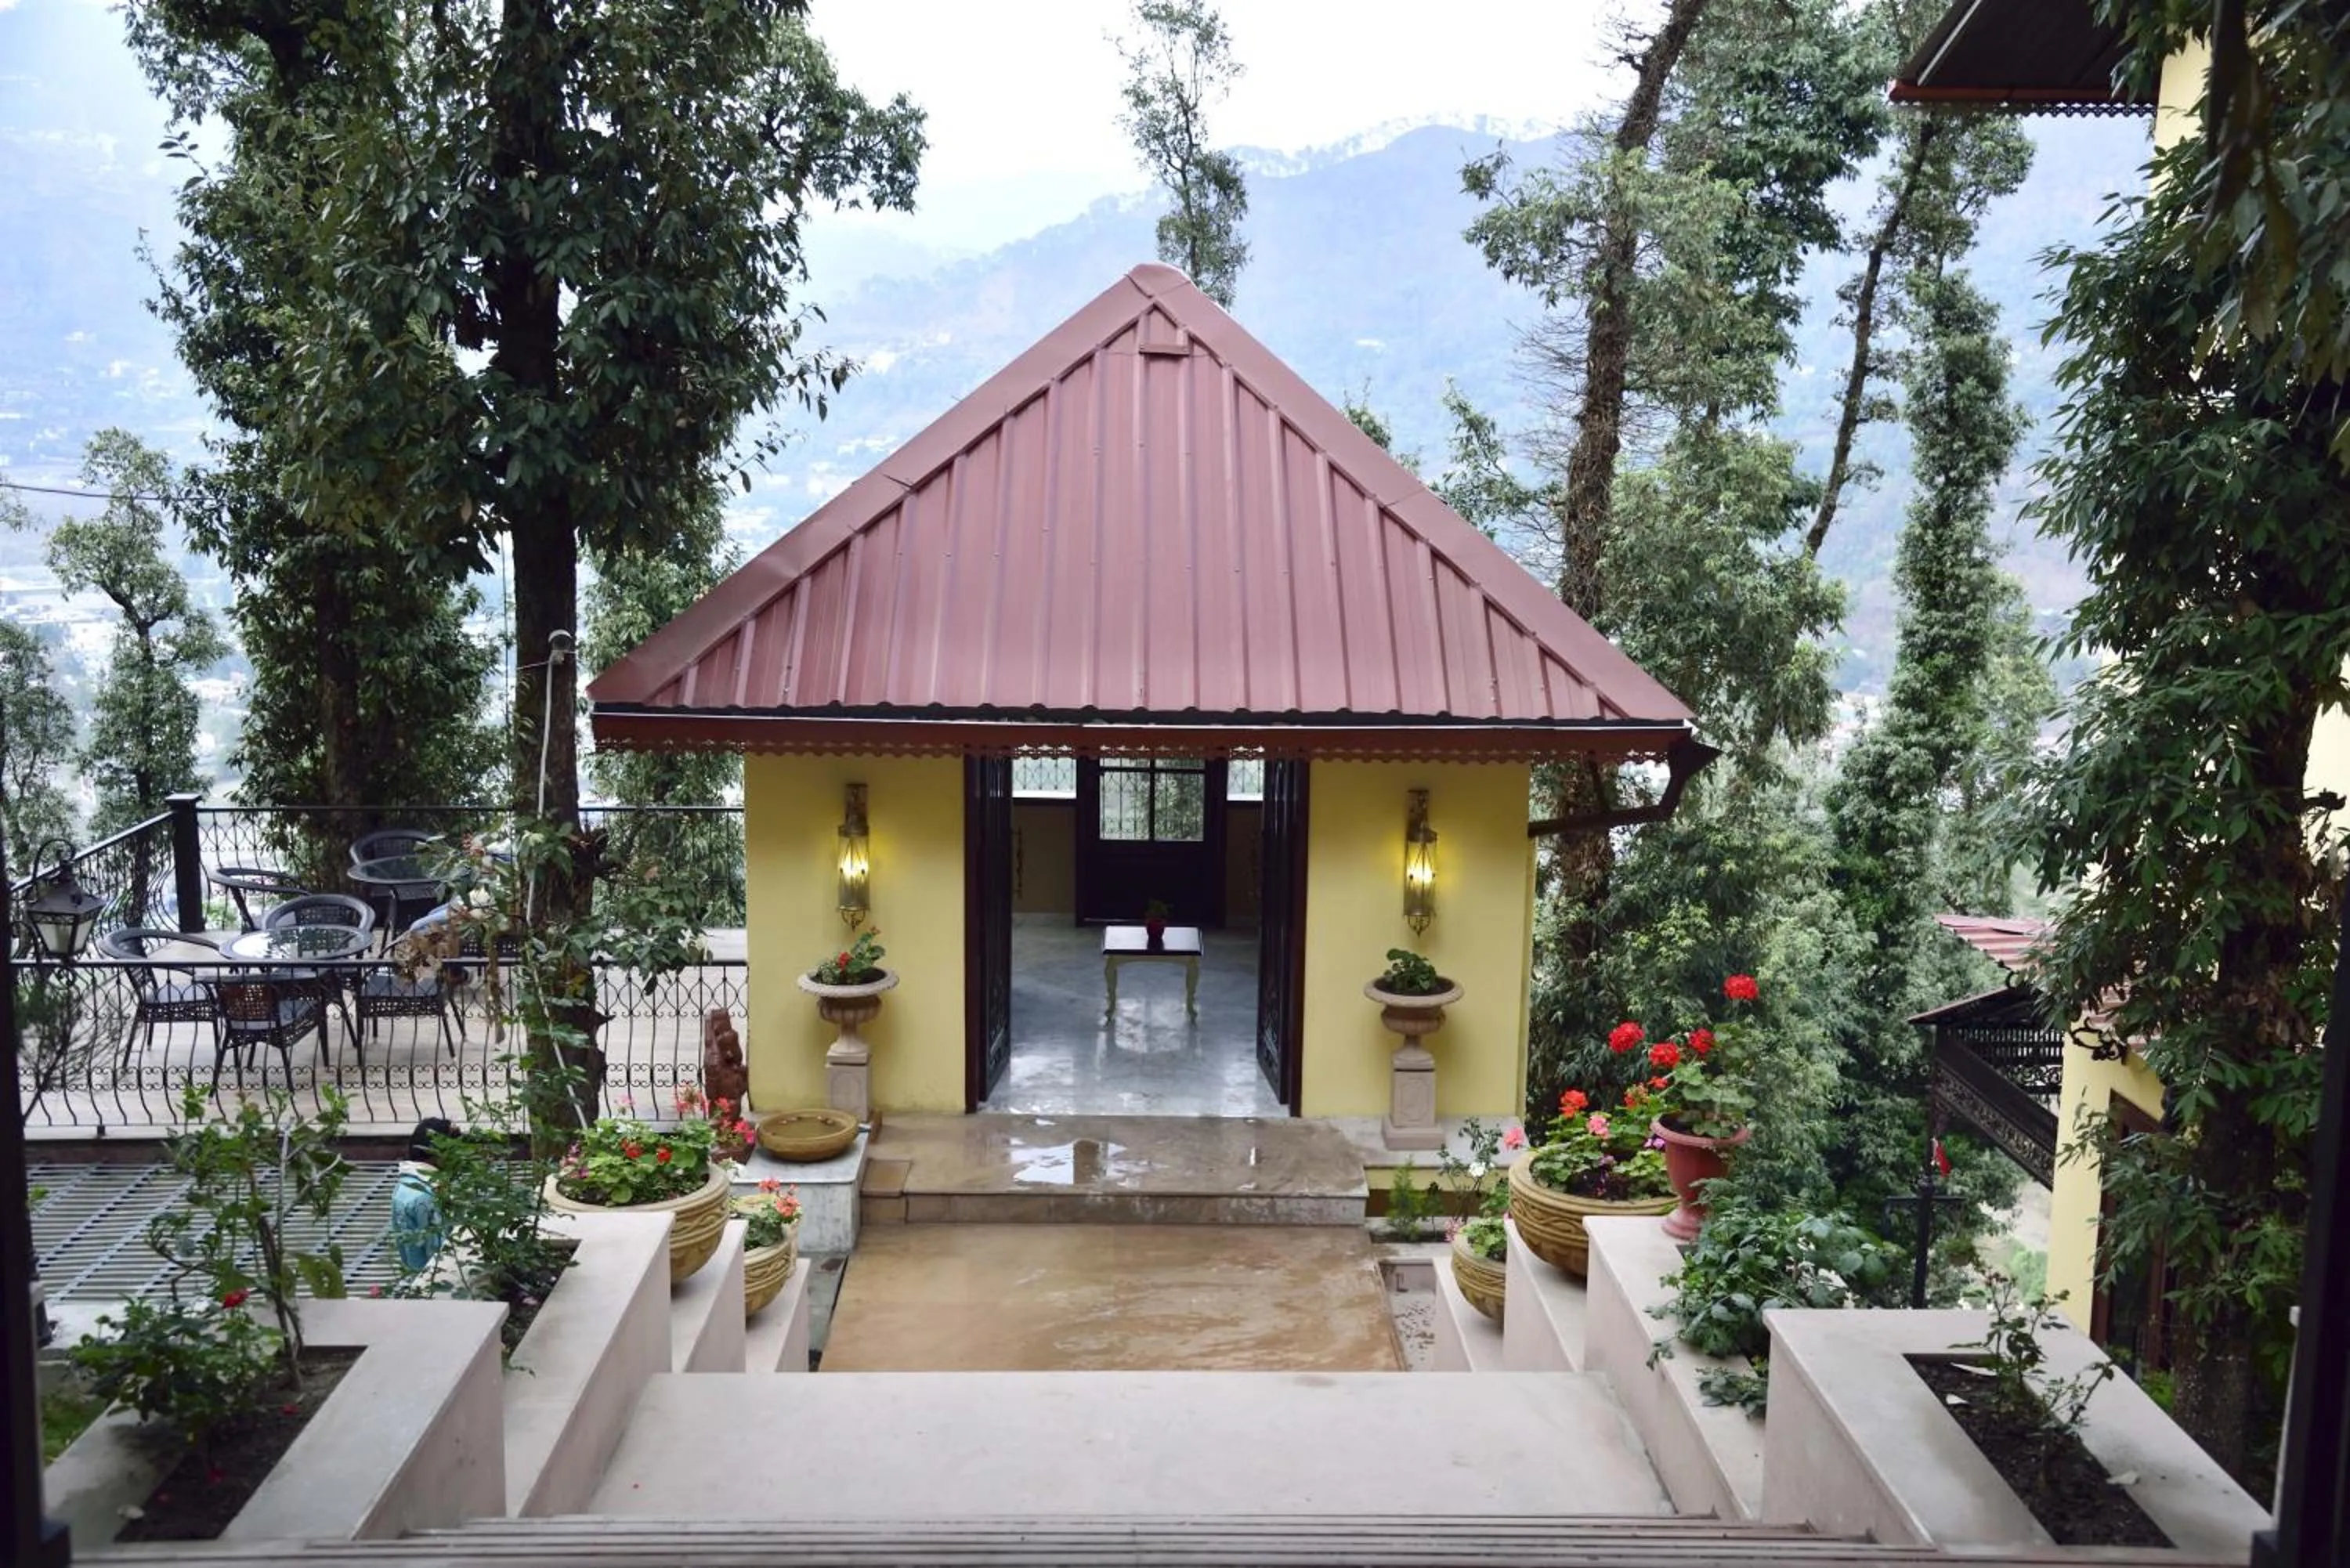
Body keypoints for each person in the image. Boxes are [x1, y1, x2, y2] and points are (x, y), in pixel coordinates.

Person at [391, 1117, 457, 1274]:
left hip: (416, 1273)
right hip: (435, 1278)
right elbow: (438, 1253)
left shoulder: (404, 1185)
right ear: (438, 1152)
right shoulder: (426, 1196)